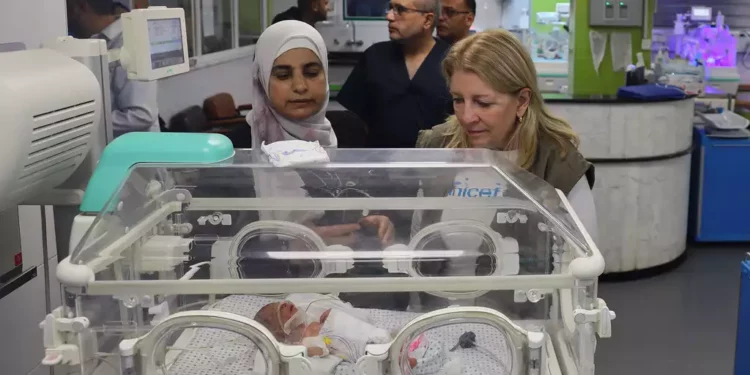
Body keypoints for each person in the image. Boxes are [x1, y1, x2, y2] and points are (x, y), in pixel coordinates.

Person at [337, 0, 453, 148]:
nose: (389, 16)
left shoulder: (452, 60)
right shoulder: (375, 57)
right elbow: (355, 121)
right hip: (379, 162)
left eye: (400, 10)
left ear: (427, 20)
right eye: (390, 8)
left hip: (437, 163)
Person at [67, 0, 160, 137]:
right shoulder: (100, 41)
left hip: (135, 151)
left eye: (69, 13)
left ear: (81, 8)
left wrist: (82, 123)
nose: (69, 21)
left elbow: (141, 115)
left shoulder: (129, 40)